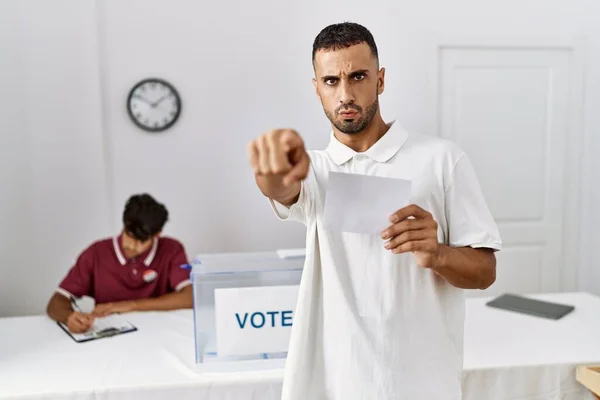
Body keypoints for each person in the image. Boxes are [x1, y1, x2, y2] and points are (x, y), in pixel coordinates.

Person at [247, 22, 502, 400]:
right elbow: (282, 188)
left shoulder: (442, 160)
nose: (345, 94)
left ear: (380, 80)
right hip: (334, 382)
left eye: (358, 76)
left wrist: (439, 253)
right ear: (316, 88)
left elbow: (485, 273)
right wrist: (271, 173)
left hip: (423, 381)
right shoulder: (315, 170)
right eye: (331, 81)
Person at [47, 193, 193, 333]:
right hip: (110, 339)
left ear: (157, 234)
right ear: (123, 225)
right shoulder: (95, 253)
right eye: (129, 235)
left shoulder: (172, 249)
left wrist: (129, 305)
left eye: (142, 240)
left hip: (159, 333)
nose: (133, 245)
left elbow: (190, 297)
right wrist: (69, 317)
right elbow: (56, 301)